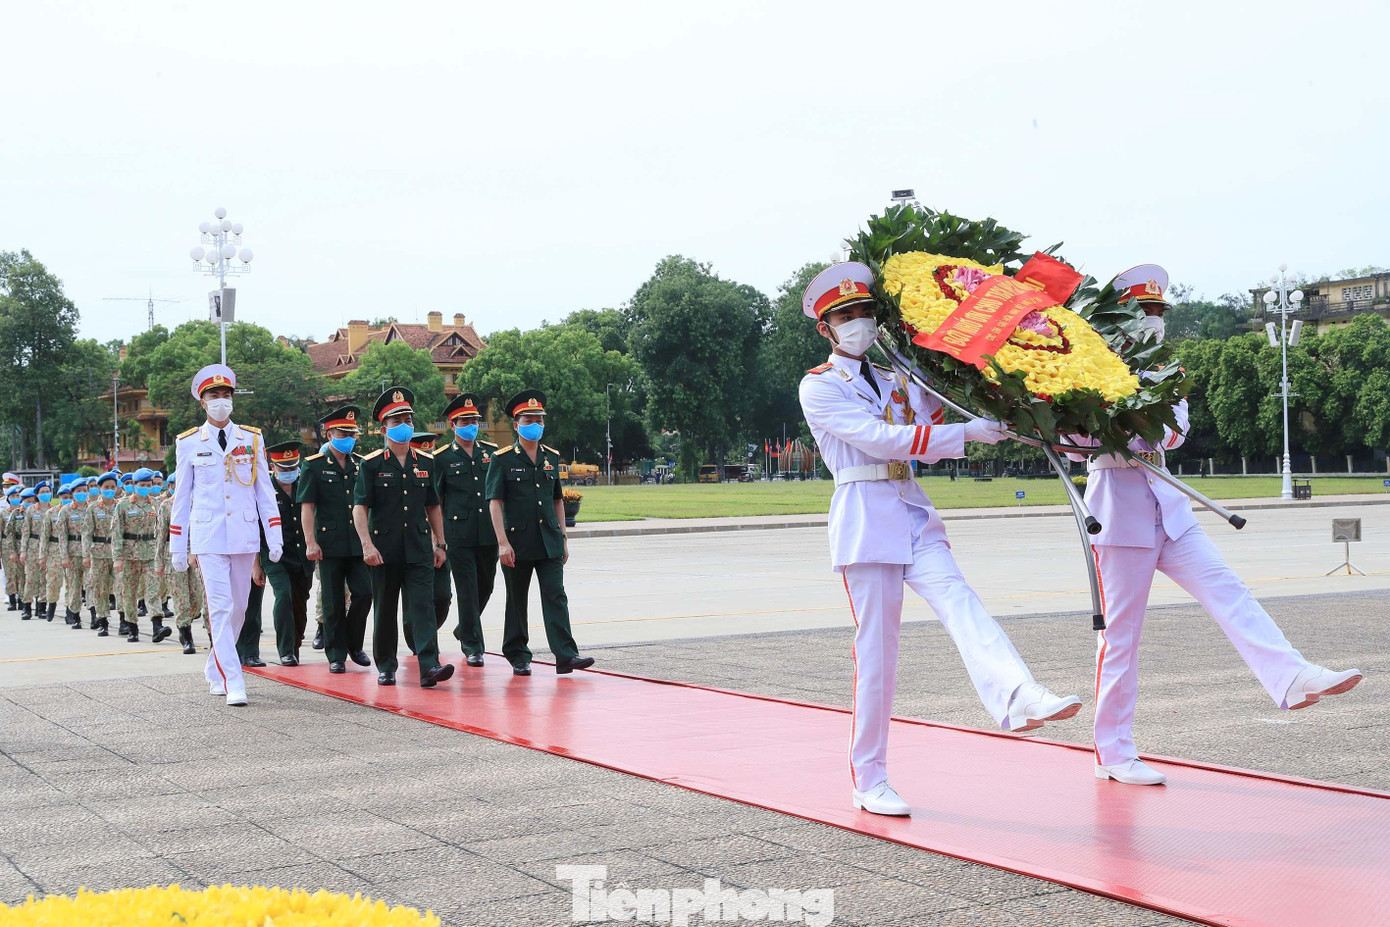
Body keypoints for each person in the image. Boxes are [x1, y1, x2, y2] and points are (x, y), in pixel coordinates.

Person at [797, 262, 1082, 817]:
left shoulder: (899, 377)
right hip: (866, 519)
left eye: (865, 312)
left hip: (911, 510)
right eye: (846, 316)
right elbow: (881, 439)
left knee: (961, 602)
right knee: (877, 656)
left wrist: (987, 392)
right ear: (825, 328)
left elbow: (932, 413)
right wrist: (966, 433)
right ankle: (869, 778)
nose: (859, 323)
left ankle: (1019, 693)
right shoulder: (820, 385)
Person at [1068, 264, 1362, 786]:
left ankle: (1292, 675)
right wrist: (1113, 417)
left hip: (1170, 508)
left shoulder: (1166, 368)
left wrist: (1139, 417)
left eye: (1158, 311)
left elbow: (1175, 433)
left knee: (1230, 591)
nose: (1154, 320)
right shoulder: (1087, 370)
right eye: (1145, 311)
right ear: (1121, 315)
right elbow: (1077, 444)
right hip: (1118, 513)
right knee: (1120, 640)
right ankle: (1112, 752)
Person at [169, 363, 284, 707]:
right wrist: (179, 547)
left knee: (239, 609)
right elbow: (182, 498)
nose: (221, 401)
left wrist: (274, 536)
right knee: (220, 608)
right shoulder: (189, 442)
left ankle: (214, 666)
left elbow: (264, 491)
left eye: (225, 395)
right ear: (202, 402)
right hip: (209, 538)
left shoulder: (251, 438)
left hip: (243, 535)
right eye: (214, 396)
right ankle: (234, 680)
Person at [486, 390, 593, 677]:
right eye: (529, 419)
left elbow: (557, 500)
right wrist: (502, 542)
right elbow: (495, 502)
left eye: (539, 419)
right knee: (517, 600)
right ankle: (518, 654)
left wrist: (563, 537)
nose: (535, 424)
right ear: (516, 425)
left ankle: (566, 655)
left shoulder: (551, 457)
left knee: (556, 595)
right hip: (517, 542)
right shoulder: (502, 459)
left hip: (549, 540)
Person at [352, 386, 453, 688]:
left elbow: (432, 505)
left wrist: (440, 542)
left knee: (423, 607)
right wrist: (366, 545)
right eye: (397, 422)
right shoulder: (371, 464)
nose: (404, 426)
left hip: (419, 547)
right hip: (384, 549)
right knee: (385, 609)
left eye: (408, 420)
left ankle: (429, 665)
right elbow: (360, 507)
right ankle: (386, 665)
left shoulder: (425, 461)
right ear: (384, 429)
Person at [299, 406, 373, 674]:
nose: (349, 439)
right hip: (328, 544)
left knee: (365, 594)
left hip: (357, 543)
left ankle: (354, 644)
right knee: (333, 602)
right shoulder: (314, 465)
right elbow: (307, 507)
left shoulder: (361, 464)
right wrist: (310, 542)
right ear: (330, 435)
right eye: (344, 434)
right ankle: (336, 654)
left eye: (352, 434)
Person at [433, 393, 499, 667]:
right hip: (458, 535)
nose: (471, 425)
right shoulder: (441, 458)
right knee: (467, 590)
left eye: (474, 420)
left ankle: (464, 628)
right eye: (465, 421)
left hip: (488, 534)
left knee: (486, 586)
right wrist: (438, 539)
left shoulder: (491, 453)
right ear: (453, 425)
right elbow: (435, 502)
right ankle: (473, 646)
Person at [260, 441, 314, 666]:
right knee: (283, 596)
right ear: (273, 466)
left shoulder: (305, 485)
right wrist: (256, 565)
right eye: (284, 468)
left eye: (293, 466)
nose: (290, 471)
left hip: (302, 555)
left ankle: (295, 646)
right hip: (275, 556)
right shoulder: (264, 489)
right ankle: (285, 650)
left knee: (300, 603)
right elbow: (256, 528)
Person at [403, 431, 453, 656]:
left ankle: (424, 635)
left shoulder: (437, 471)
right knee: (415, 600)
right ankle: (421, 644)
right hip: (413, 542)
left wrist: (440, 541)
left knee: (442, 596)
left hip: (439, 543)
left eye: (430, 451)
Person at [112, 469, 172, 644]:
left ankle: (157, 626)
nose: (145, 488)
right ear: (134, 485)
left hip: (151, 553)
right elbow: (116, 532)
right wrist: (117, 557)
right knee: (129, 592)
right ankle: (132, 627)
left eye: (148, 485)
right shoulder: (123, 505)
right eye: (142, 485)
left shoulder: (156, 504)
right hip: (129, 555)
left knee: (153, 590)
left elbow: (161, 531)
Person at [82, 471, 120, 636]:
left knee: (121, 588)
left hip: (118, 553)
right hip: (98, 553)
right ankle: (103, 621)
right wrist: (86, 554)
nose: (110, 490)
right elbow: (87, 533)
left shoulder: (121, 506)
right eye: (106, 487)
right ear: (99, 488)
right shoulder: (93, 508)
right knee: (100, 588)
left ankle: (125, 620)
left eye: (112, 487)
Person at [61, 480, 89, 628]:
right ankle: (74, 614)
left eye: (84, 490)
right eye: (78, 491)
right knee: (74, 585)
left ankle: (95, 614)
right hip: (73, 552)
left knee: (92, 585)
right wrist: (64, 556)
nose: (82, 493)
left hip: (91, 553)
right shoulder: (66, 510)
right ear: (72, 493)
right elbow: (62, 536)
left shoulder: (93, 508)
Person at [15, 487, 38, 620]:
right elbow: (24, 533)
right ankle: (26, 606)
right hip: (30, 548)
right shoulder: (21, 513)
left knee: (43, 580)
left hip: (44, 549)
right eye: (27, 501)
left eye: (32, 501)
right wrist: (23, 551)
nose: (31, 503)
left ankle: (41, 607)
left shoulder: (46, 511)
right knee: (29, 579)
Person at [2, 485, 23, 613]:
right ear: (8, 498)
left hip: (21, 544)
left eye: (17, 496)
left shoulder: (24, 511)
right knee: (10, 573)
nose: (16, 498)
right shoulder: (3, 513)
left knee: (21, 573)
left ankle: (21, 599)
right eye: (13, 496)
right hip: (7, 546)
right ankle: (11, 600)